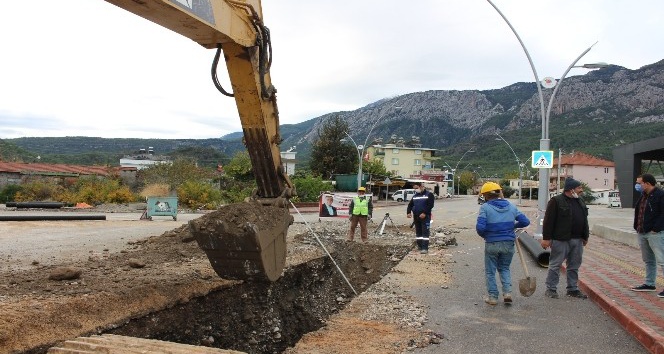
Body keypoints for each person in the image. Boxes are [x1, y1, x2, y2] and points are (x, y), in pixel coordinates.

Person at [476, 182, 530, 305]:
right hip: (508, 242)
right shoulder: (511, 206)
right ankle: (507, 293)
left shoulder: (485, 208)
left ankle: (493, 297)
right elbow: (525, 221)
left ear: (485, 195)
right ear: (499, 192)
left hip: (492, 243)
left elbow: (480, 228)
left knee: (490, 271)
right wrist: (512, 227)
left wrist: (486, 235)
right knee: (504, 268)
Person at [541, 178, 589, 299]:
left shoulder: (580, 201)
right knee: (555, 264)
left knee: (574, 265)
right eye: (579, 188)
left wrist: (585, 236)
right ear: (571, 189)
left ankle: (572, 289)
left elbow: (584, 220)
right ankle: (551, 289)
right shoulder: (556, 201)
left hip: (577, 239)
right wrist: (546, 238)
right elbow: (548, 221)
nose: (581, 190)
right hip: (560, 239)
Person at [630, 173, 664, 296]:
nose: (637, 185)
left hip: (655, 233)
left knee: (662, 260)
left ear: (648, 183)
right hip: (642, 232)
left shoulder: (660, 195)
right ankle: (650, 284)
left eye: (639, 183)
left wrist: (656, 228)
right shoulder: (644, 195)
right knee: (649, 260)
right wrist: (637, 227)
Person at [407, 181, 435, 254]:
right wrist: (408, 212)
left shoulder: (429, 194)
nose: (415, 190)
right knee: (418, 233)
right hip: (416, 217)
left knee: (425, 233)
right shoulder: (415, 196)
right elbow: (410, 205)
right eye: (414, 188)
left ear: (421, 186)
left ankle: (425, 248)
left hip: (425, 217)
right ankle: (419, 246)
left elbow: (430, 205)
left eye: (416, 188)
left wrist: (424, 213)